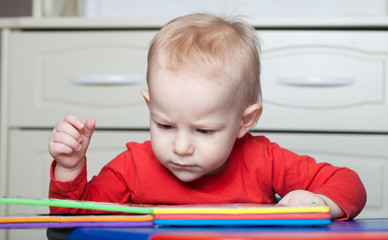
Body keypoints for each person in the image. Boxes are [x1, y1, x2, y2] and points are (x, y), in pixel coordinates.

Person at [48, 13, 366, 220]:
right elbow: (72, 218)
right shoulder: (132, 167)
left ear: (245, 122)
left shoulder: (264, 160)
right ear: (150, 107)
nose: (182, 147)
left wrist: (318, 203)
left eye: (204, 131)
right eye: (165, 125)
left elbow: (349, 184)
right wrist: (70, 167)